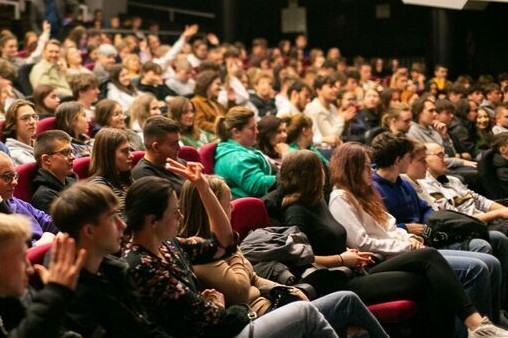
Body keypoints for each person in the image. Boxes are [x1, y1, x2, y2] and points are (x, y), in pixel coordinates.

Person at [124, 169, 338, 337]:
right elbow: (215, 318)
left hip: (225, 324)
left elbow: (224, 244)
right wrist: (224, 308)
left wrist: (203, 187)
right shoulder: (143, 266)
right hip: (221, 330)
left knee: (341, 300)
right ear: (152, 221)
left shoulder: (169, 245)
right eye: (174, 212)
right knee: (306, 314)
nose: (180, 216)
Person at [325, 144, 508, 337]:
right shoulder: (341, 198)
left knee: (489, 262)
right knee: (473, 267)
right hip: (377, 261)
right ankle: (473, 330)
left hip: (401, 252)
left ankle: (489, 324)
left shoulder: (365, 193)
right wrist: (404, 245)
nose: (371, 171)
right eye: (365, 166)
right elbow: (361, 242)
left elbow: (390, 226)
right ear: (352, 169)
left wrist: (409, 237)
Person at [180, 174, 389, 337]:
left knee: (347, 302)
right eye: (227, 203)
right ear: (209, 209)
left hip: (272, 306)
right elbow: (241, 292)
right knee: (345, 301)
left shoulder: (217, 248)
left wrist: (286, 289)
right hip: (256, 320)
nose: (232, 208)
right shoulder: (201, 255)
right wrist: (232, 249)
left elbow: (253, 277)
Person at [51, 182, 169, 336]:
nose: (123, 225)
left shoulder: (115, 269)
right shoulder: (70, 298)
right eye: (113, 218)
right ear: (89, 231)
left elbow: (145, 328)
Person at [0, 150, 58, 246]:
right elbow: (16, 247)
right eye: (7, 177)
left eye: (14, 176)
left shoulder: (15, 202)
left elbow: (52, 224)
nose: (15, 182)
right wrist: (46, 239)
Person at [214, 107, 276, 198]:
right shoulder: (236, 157)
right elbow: (258, 186)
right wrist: (286, 178)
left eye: (256, 127)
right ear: (236, 132)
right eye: (252, 128)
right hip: (253, 207)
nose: (257, 132)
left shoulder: (243, 150)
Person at [132, 116, 186, 194]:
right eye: (174, 144)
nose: (179, 148)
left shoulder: (179, 163)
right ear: (156, 147)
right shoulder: (143, 176)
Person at [88, 128, 135, 212]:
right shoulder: (99, 187)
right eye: (125, 151)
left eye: (130, 150)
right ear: (108, 155)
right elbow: (117, 223)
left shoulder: (126, 179)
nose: (131, 155)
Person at [31, 130, 78, 212]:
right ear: (46, 160)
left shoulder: (72, 180)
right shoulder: (44, 196)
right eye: (66, 152)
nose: (73, 157)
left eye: (72, 151)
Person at [305, 75, 353, 148]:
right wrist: (342, 118)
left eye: (335, 86)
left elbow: (339, 135)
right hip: (319, 149)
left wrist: (346, 122)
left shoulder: (332, 107)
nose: (336, 90)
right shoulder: (315, 109)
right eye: (331, 87)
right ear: (319, 90)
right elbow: (330, 137)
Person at [3, 100, 38, 166]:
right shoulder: (14, 154)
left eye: (34, 116)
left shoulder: (39, 145)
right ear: (13, 125)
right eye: (25, 118)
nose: (32, 121)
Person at [191, 70, 226, 136]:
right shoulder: (196, 102)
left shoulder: (217, 103)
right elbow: (199, 124)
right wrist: (221, 128)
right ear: (208, 84)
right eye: (217, 84)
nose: (220, 88)